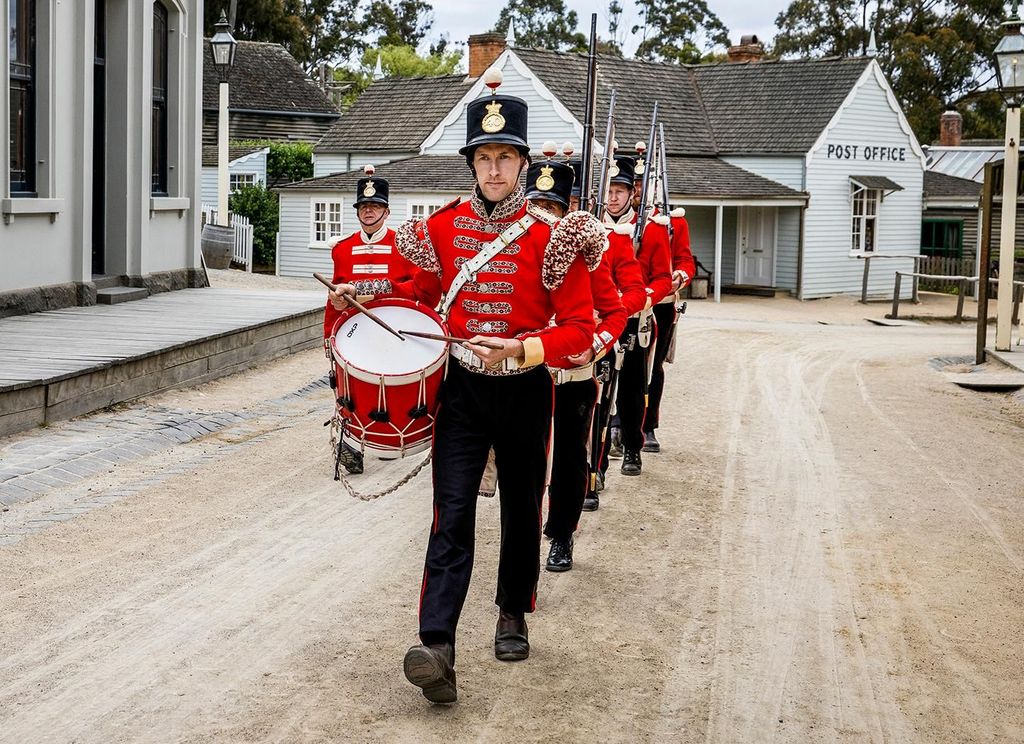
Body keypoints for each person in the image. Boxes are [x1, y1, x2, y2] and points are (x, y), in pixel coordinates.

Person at [329, 79, 602, 704]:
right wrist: (362, 297)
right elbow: (418, 298)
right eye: (484, 157)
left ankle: (512, 611)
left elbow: (580, 329)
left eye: (505, 157)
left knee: (520, 509)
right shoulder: (443, 228)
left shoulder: (554, 237)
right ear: (472, 164)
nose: (495, 169)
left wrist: (524, 348)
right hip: (462, 393)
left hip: (525, 389)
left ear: (523, 163)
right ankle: (438, 645)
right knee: (450, 513)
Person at [525, 153, 626, 572]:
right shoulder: (518, 252)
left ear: (566, 210)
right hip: (528, 376)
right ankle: (525, 534)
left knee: (569, 460)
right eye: (536, 205)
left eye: (552, 207)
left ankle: (562, 533)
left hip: (573, 375)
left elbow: (615, 312)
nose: (543, 214)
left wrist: (594, 346)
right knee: (527, 461)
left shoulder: (586, 258)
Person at [323, 166, 416, 474]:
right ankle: (350, 443)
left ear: (386, 211)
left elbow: (414, 289)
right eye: (363, 206)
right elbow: (334, 295)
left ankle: (386, 437)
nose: (369, 211)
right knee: (349, 388)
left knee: (388, 386)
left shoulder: (403, 245)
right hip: (354, 331)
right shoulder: (342, 249)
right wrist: (329, 334)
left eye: (375, 205)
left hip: (393, 327)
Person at [600, 155, 672, 477]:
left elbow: (663, 278)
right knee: (600, 393)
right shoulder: (592, 226)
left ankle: (632, 447)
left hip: (635, 318)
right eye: (609, 190)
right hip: (601, 320)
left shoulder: (653, 229)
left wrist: (644, 298)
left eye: (619, 190)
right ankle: (597, 461)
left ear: (632, 193)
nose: (613, 197)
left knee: (632, 389)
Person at [642, 206, 695, 453]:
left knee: (653, 366)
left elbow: (684, 259)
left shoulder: (673, 221)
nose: (638, 190)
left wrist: (679, 276)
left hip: (660, 303)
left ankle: (647, 425)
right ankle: (617, 423)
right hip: (622, 303)